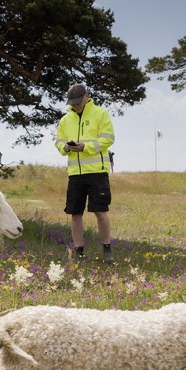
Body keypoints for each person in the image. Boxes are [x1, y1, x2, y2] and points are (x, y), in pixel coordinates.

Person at [55, 82, 115, 262]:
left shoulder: (100, 113)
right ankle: (79, 251)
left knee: (100, 212)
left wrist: (85, 147)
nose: (75, 105)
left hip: (97, 171)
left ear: (86, 96)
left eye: (77, 102)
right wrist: (65, 148)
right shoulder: (65, 119)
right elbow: (58, 142)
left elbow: (108, 139)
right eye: (72, 103)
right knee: (75, 213)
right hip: (75, 174)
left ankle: (107, 249)